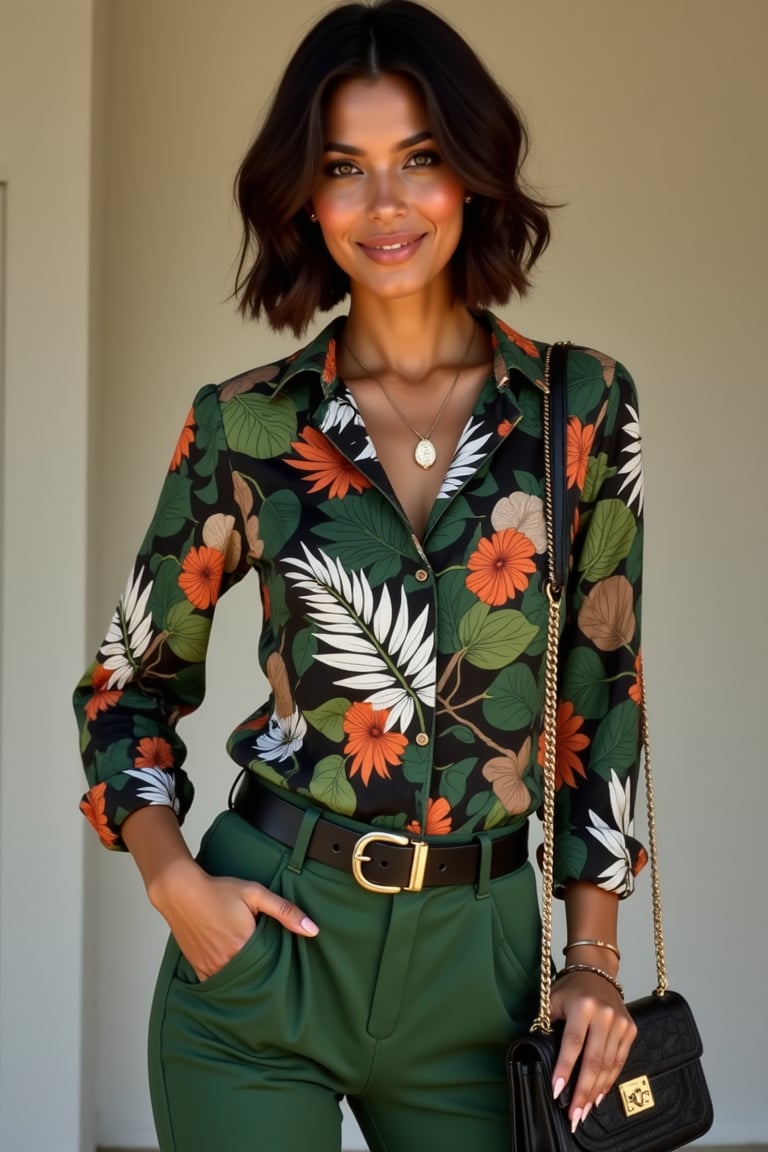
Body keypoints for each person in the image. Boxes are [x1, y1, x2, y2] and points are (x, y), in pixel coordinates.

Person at [73, 2, 647, 1149]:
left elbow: (601, 697)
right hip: (265, 947)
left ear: (473, 174)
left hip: (479, 967)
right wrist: (172, 880)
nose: (386, 206)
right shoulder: (243, 422)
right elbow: (126, 688)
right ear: (305, 194)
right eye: (346, 167)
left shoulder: (576, 409)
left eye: (420, 160)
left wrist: (591, 958)